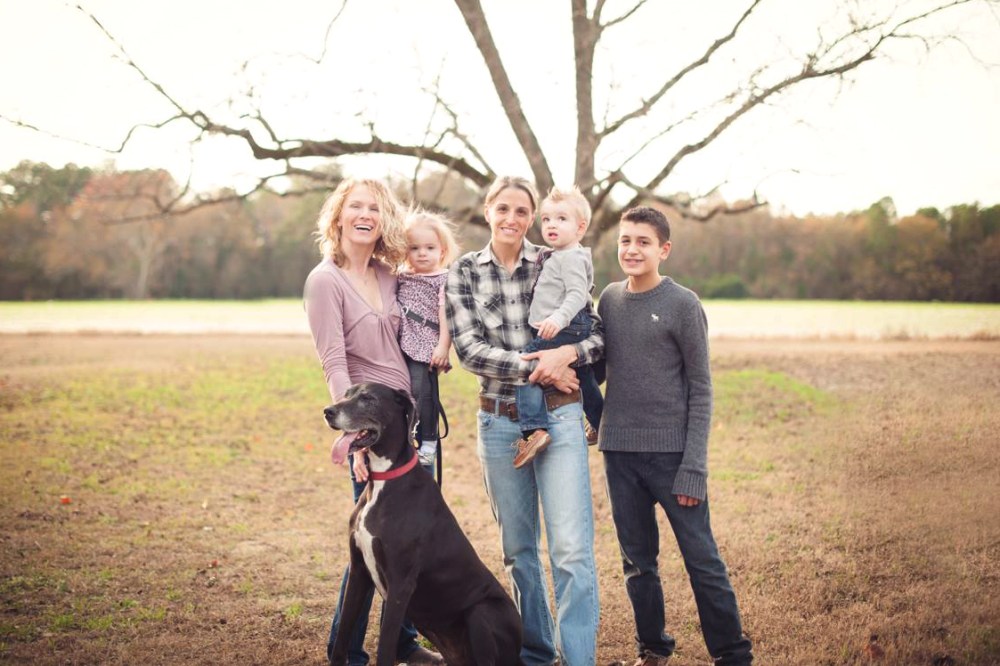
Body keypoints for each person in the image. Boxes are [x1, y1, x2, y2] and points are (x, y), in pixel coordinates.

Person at [445, 176, 602, 666]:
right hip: (499, 421)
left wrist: (569, 353)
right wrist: (542, 366)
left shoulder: (558, 257)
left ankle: (578, 660)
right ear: (488, 210)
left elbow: (598, 337)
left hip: (558, 417)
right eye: (503, 209)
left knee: (571, 550)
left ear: (532, 217)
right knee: (519, 552)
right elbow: (470, 351)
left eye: (522, 211)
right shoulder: (464, 272)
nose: (513, 219)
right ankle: (537, 654)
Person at [597, 206, 753, 666]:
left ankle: (732, 654)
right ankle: (653, 649)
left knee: (702, 559)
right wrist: (594, 416)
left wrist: (694, 467)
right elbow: (598, 371)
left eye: (643, 242)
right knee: (637, 563)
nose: (632, 249)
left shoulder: (683, 304)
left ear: (663, 249)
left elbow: (702, 390)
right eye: (625, 240)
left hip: (672, 457)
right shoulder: (607, 299)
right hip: (619, 455)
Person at [303, 178, 444, 666]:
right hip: (371, 425)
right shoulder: (325, 281)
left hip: (409, 419)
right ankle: (343, 653)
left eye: (375, 208)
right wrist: (355, 437)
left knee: (409, 538)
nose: (365, 214)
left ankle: (402, 642)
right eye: (356, 206)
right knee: (371, 540)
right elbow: (333, 361)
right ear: (338, 216)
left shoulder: (390, 275)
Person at [512, 186, 604, 468]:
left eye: (562, 219)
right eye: (547, 219)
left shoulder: (571, 257)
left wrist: (556, 320)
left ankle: (533, 430)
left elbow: (578, 294)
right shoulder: (558, 254)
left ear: (580, 227)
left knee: (527, 366)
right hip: (567, 326)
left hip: (563, 326)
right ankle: (602, 422)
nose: (552, 224)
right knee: (584, 376)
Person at [397, 209, 459, 476]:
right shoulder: (401, 276)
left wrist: (443, 346)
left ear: (442, 251)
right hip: (401, 343)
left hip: (427, 344)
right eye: (415, 248)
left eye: (430, 247)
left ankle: (429, 439)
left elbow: (447, 315)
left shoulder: (444, 279)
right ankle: (405, 437)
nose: (422, 253)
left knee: (424, 392)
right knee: (404, 393)